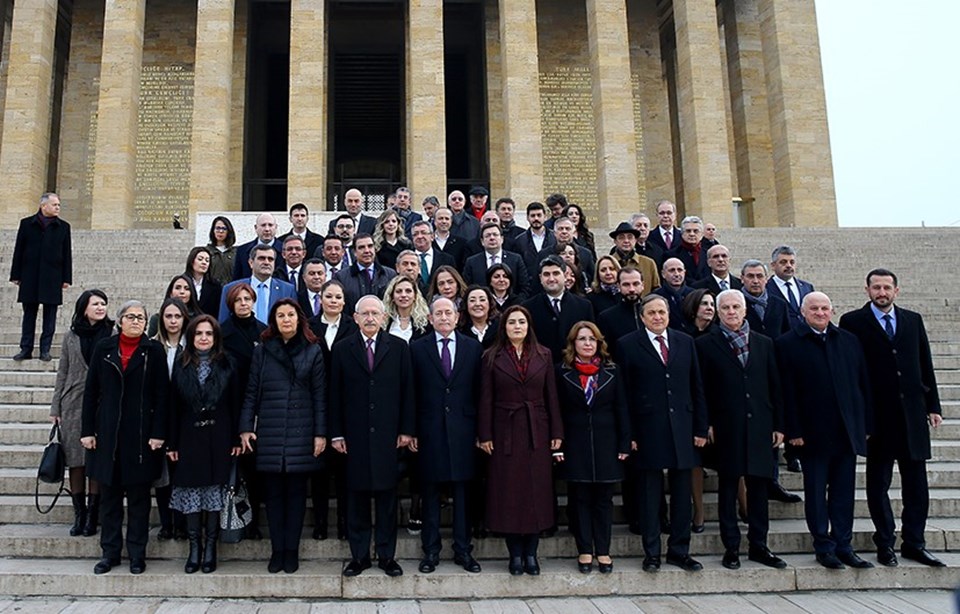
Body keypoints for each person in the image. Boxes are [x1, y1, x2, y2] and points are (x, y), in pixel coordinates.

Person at [839, 269, 945, 567]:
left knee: (916, 485)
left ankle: (915, 542)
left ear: (896, 290)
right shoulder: (853, 322)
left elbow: (925, 362)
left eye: (887, 287)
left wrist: (933, 405)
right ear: (867, 290)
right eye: (876, 287)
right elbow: (853, 372)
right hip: (878, 418)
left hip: (912, 415)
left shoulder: (913, 320)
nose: (881, 292)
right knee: (878, 483)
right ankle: (885, 542)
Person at [776, 292, 874, 570]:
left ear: (832, 311)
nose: (820, 313)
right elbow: (786, 392)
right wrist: (793, 430)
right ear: (803, 312)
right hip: (811, 433)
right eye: (814, 309)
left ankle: (844, 545)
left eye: (824, 308)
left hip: (845, 431)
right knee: (816, 493)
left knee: (844, 493)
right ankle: (823, 545)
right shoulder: (787, 343)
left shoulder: (849, 341)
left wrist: (865, 425)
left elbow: (862, 385)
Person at [695, 290, 788, 570]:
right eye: (725, 307)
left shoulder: (764, 343)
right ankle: (731, 547)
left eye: (736, 306)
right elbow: (701, 389)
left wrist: (779, 425)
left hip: (760, 426)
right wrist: (706, 422)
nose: (731, 312)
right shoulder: (704, 344)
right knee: (727, 488)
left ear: (745, 310)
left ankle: (759, 545)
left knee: (759, 490)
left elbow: (776, 387)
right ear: (718, 312)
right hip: (726, 428)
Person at [618, 294, 708, 573]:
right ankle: (652, 552)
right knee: (649, 494)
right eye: (652, 313)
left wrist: (701, 427)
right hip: (647, 430)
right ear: (642, 317)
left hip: (683, 427)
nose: (658, 317)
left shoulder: (685, 341)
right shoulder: (627, 344)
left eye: (662, 312)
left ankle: (679, 551)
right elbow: (624, 394)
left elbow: (697, 387)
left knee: (683, 494)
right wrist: (629, 433)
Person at [81, 300, 168, 575]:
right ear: (119, 321)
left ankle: (137, 554)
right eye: (130, 317)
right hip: (108, 435)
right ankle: (110, 553)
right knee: (109, 500)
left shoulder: (153, 351)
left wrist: (158, 433)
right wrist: (87, 430)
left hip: (140, 437)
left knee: (140, 501)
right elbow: (91, 391)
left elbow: (162, 397)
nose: (136, 321)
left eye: (141, 318)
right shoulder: (104, 348)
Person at [329, 296, 415, 577]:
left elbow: (407, 391)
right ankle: (360, 556)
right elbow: (335, 395)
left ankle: (387, 556)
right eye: (364, 313)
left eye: (375, 313)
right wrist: (336, 433)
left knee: (388, 500)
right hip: (353, 436)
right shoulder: (342, 349)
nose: (369, 318)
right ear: (354, 317)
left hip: (388, 437)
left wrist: (406, 429)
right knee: (356, 500)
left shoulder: (399, 348)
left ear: (383, 317)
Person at [239, 299, 326, 574]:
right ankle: (277, 551)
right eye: (280, 315)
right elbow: (251, 391)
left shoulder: (313, 350)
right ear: (273, 320)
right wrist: (245, 427)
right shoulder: (262, 351)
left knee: (297, 497)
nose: (286, 319)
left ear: (299, 319)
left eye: (290, 315)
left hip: (302, 431)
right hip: (271, 432)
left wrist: (320, 433)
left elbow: (320, 396)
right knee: (274, 498)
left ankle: (292, 551)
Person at [478, 305, 563, 576]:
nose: (517, 326)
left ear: (529, 326)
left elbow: (552, 396)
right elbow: (486, 398)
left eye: (522, 322)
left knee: (536, 492)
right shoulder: (491, 357)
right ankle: (515, 554)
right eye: (512, 322)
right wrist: (485, 434)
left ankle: (531, 553)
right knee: (509, 492)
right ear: (504, 327)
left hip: (537, 429)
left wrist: (557, 433)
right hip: (505, 430)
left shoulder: (544, 354)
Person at [410, 298, 485, 574]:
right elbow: (411, 392)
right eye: (438, 313)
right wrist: (412, 429)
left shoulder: (472, 347)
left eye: (448, 313)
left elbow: (480, 391)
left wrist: (481, 431)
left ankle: (463, 550)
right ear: (430, 319)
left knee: (464, 493)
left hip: (464, 430)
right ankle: (430, 551)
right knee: (430, 492)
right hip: (429, 430)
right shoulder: (416, 349)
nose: (443, 317)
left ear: (457, 317)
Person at [167, 315, 241, 574]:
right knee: (191, 492)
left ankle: (210, 548)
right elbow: (173, 407)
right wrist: (172, 443)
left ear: (216, 337)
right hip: (188, 438)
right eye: (199, 333)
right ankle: (194, 548)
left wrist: (235, 438)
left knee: (212, 493)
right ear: (191, 337)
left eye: (208, 334)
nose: (204, 338)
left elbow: (235, 404)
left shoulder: (227, 364)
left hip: (218, 437)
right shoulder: (181, 364)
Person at [555, 322, 629, 574]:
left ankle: (604, 550)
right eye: (582, 339)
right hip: (575, 444)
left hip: (607, 443)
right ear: (572, 343)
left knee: (604, 500)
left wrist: (624, 442)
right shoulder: (562, 372)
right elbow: (558, 411)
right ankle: (585, 549)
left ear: (599, 343)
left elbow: (622, 409)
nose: (587, 343)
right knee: (580, 499)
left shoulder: (612, 372)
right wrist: (558, 444)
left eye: (592, 339)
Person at [51, 289, 113, 537]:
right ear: (83, 308)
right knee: (75, 460)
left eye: (103, 303)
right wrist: (55, 407)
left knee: (94, 459)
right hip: (73, 402)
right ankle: (80, 514)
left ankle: (93, 513)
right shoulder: (71, 336)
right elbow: (62, 372)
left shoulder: (112, 333)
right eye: (95, 303)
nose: (100, 307)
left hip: (102, 401)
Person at [739, 259, 799, 505]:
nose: (755, 281)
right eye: (750, 276)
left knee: (772, 429)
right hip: (746, 374)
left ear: (766, 278)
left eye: (759, 276)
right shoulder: (736, 304)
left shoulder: (778, 303)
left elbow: (787, 335)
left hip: (773, 372)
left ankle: (772, 481)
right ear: (742, 279)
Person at [307, 280, 357, 541]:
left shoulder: (353, 326)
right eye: (329, 296)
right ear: (321, 299)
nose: (334, 301)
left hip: (346, 404)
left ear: (344, 301)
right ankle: (320, 524)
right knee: (319, 472)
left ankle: (345, 524)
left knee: (344, 470)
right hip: (317, 403)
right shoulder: (310, 326)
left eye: (338, 297)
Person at [219, 282, 267, 539]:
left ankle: (254, 521)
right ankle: (234, 521)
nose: (244, 303)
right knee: (237, 469)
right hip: (232, 406)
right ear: (231, 304)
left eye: (248, 299)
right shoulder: (222, 333)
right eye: (239, 300)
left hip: (260, 409)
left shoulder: (264, 332)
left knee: (256, 470)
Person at [10, 192, 72, 361]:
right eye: (54, 205)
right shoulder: (26, 224)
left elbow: (67, 253)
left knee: (50, 315)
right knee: (29, 314)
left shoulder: (64, 227)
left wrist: (66, 278)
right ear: (43, 206)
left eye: (59, 205)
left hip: (53, 276)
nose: (57, 207)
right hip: (30, 275)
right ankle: (26, 348)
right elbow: (18, 250)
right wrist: (16, 274)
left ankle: (45, 349)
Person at [151, 297, 188, 541]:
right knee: (162, 475)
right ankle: (166, 523)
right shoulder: (153, 346)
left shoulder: (192, 346)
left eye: (177, 316)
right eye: (168, 316)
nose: (173, 321)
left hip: (185, 418)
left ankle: (183, 523)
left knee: (182, 474)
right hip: (159, 417)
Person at [522, 256, 595, 364]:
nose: (551, 279)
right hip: (541, 367)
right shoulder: (528, 307)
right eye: (546, 274)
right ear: (540, 278)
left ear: (565, 276)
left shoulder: (584, 306)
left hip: (574, 368)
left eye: (556, 273)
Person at [219, 244, 297, 324]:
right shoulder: (230, 288)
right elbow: (223, 323)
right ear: (251, 263)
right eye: (261, 258)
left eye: (270, 259)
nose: (266, 262)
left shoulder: (288, 290)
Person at [462, 222, 530, 298]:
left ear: (502, 239)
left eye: (495, 234)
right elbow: (466, 288)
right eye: (487, 236)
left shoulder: (516, 259)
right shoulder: (472, 262)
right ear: (482, 241)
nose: (492, 238)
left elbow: (524, 287)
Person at [334, 233, 397, 311]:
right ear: (354, 252)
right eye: (361, 247)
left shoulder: (390, 275)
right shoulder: (341, 277)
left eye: (370, 246)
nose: (367, 251)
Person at [767, 245, 815, 329]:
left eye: (792, 262)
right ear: (773, 265)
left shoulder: (807, 287)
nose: (788, 265)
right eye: (783, 262)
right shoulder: (766, 288)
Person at [608, 222, 660, 295]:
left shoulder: (649, 263)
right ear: (615, 241)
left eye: (630, 237)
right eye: (621, 238)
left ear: (635, 240)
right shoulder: (608, 263)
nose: (626, 241)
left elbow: (656, 289)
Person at [232, 213, 282, 280]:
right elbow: (237, 279)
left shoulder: (285, 250)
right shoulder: (242, 251)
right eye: (263, 225)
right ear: (256, 228)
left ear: (276, 227)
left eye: (270, 225)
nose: (267, 229)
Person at [382, 275, 430, 344]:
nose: (403, 295)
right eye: (399, 291)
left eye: (408, 291)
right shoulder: (384, 323)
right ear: (392, 296)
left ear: (415, 296)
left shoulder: (425, 323)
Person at [410, 220, 455, 292]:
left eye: (423, 233)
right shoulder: (406, 259)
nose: (419, 236)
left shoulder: (447, 259)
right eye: (415, 234)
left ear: (432, 236)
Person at [184, 246, 222, 316]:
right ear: (192, 261)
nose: (204, 263)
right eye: (200, 259)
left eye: (207, 260)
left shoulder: (215, 286)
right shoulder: (182, 282)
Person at [670, 216, 710, 282]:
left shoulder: (708, 254)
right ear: (682, 234)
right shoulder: (672, 254)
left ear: (702, 234)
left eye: (695, 231)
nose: (692, 234)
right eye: (688, 231)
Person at [206, 216, 237, 286]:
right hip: (211, 291)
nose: (220, 231)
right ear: (213, 230)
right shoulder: (206, 251)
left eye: (224, 229)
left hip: (231, 290)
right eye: (218, 228)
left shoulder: (236, 252)